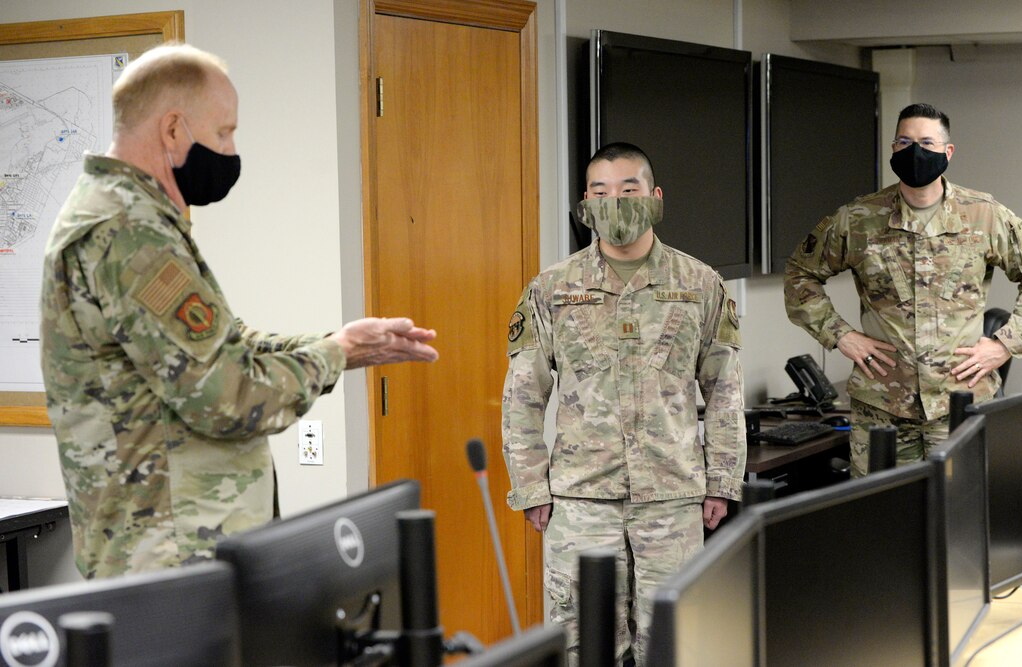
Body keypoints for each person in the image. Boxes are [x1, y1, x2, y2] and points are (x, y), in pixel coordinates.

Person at [39, 43, 439, 579]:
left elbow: (220, 344)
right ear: (173, 130)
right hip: (166, 560)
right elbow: (226, 395)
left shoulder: (135, 216)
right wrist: (335, 354)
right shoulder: (127, 231)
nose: (231, 150)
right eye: (224, 132)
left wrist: (336, 346)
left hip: (182, 549)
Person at [502, 143, 745, 666]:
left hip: (672, 498)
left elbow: (724, 391)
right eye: (600, 192)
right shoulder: (551, 289)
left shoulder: (701, 284)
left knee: (676, 644)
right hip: (581, 500)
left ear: (655, 197)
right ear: (585, 205)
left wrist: (723, 481)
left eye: (628, 190)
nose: (615, 201)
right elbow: (523, 396)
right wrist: (530, 486)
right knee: (584, 646)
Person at [784, 103, 1022, 476]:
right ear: (894, 151)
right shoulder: (858, 219)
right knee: (882, 516)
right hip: (882, 407)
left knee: (962, 517)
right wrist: (841, 335)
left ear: (948, 153)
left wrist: (1004, 343)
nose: (916, 152)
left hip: (960, 403)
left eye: (927, 143)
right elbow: (800, 274)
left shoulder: (984, 215)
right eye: (905, 141)